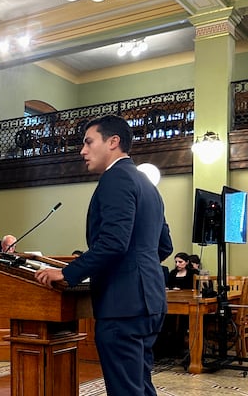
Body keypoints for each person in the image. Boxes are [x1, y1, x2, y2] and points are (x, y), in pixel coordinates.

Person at [34, 114, 173, 396]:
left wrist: (66, 272)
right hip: (149, 302)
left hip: (123, 305)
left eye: (88, 142)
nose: (82, 151)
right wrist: (136, 269)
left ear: (113, 142)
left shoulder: (116, 178)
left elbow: (113, 242)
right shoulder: (147, 184)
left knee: (125, 390)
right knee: (139, 386)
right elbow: (164, 246)